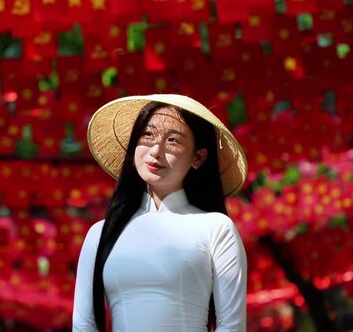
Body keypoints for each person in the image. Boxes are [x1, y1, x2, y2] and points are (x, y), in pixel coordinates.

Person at [72, 94, 248, 332]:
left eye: (173, 140)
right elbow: (84, 326)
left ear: (198, 157)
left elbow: (231, 326)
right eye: (148, 135)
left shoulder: (216, 229)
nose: (156, 150)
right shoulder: (101, 234)